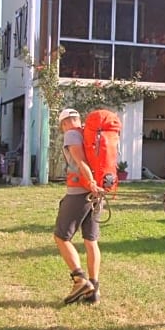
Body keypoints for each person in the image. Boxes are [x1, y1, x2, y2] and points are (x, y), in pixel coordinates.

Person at [54, 108, 104, 305]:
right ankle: (93, 290)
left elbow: (79, 160)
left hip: (80, 191)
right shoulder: (91, 134)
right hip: (97, 193)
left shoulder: (72, 134)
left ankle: (79, 279)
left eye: (62, 126)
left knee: (61, 236)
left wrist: (90, 181)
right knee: (91, 241)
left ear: (65, 123)